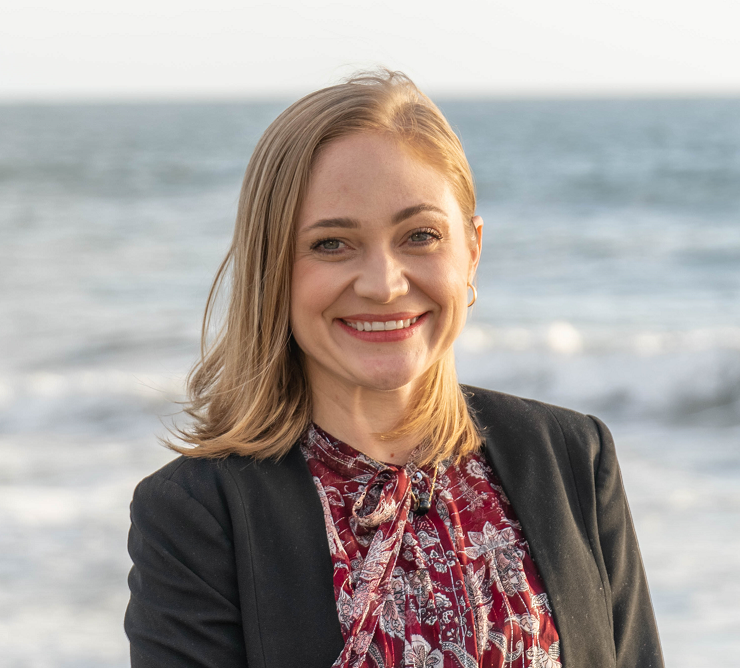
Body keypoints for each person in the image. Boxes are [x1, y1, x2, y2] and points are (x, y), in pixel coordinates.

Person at [124, 70, 664, 668]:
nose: (384, 284)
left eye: (421, 236)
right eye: (332, 243)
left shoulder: (573, 459)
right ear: (273, 268)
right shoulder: (196, 515)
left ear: (472, 253)